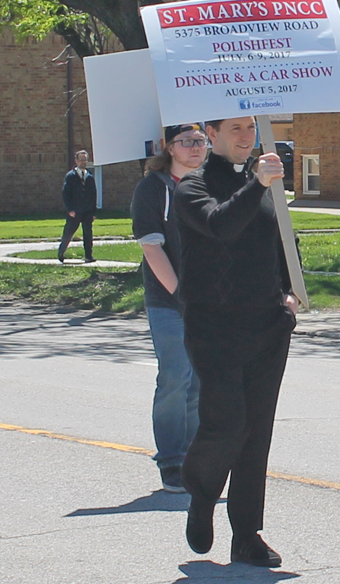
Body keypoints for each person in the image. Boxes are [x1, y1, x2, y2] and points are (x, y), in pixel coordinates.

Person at [174, 116, 299, 567]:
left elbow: (284, 240)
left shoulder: (262, 182)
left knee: (256, 432)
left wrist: (290, 294)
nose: (246, 137)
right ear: (212, 135)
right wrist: (259, 185)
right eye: (235, 129)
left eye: (250, 127)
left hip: (267, 325)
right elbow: (220, 225)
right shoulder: (192, 186)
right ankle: (202, 493)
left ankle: (247, 534)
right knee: (226, 423)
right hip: (215, 328)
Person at [131, 124, 207, 493]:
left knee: (200, 381)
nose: (195, 148)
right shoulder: (155, 187)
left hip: (211, 302)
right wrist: (181, 294)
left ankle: (194, 456)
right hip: (169, 302)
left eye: (200, 141)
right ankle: (172, 461)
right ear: (168, 147)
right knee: (177, 377)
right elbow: (151, 247)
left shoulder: (211, 186)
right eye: (186, 142)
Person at [58, 150, 97, 263]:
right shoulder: (71, 176)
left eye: (85, 160)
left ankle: (88, 255)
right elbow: (66, 194)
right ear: (76, 161)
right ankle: (61, 252)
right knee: (69, 232)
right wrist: (70, 209)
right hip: (75, 211)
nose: (83, 162)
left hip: (87, 211)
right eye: (81, 160)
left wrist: (93, 212)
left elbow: (93, 195)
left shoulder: (89, 177)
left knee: (88, 234)